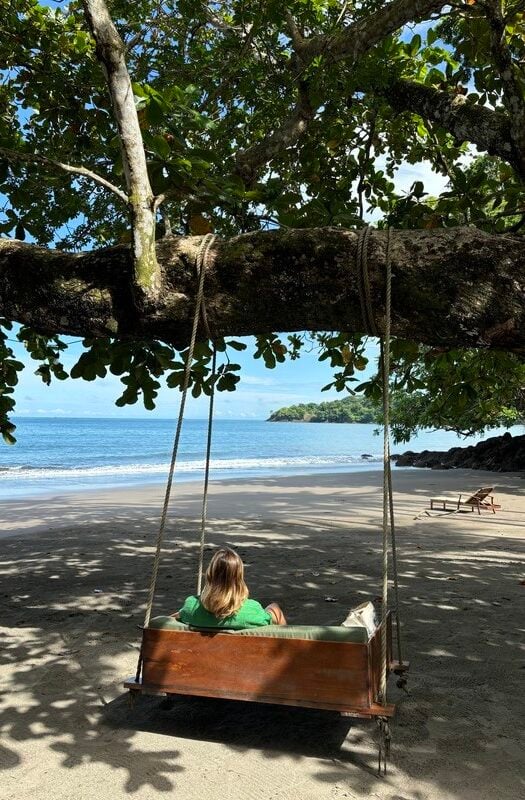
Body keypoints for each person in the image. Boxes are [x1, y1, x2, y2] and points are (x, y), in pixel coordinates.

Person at [174, 547, 287, 629]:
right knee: (274, 608)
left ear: (210, 575)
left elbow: (172, 618)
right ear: (239, 579)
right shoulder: (253, 610)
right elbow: (268, 621)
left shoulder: (191, 607)